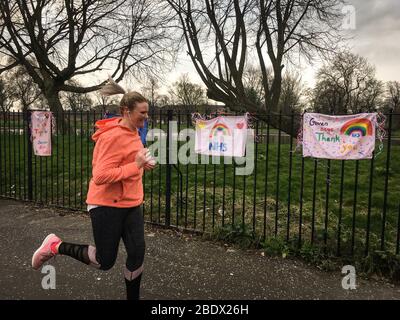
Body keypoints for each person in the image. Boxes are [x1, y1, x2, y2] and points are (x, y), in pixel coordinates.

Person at [31, 78, 156, 300]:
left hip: (131, 203)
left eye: (147, 113)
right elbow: (100, 176)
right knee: (104, 261)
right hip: (107, 205)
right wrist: (135, 165)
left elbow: (127, 164)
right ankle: (55, 246)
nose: (146, 117)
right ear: (126, 111)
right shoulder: (111, 137)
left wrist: (142, 165)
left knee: (137, 253)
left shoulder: (134, 133)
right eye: (143, 113)